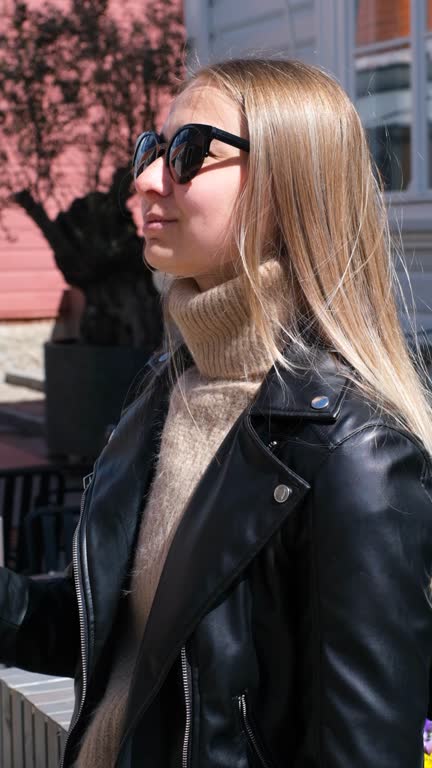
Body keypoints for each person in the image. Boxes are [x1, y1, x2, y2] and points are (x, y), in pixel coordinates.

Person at [1, 57, 432, 768]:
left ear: (288, 183)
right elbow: (120, 638)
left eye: (188, 151)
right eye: (150, 149)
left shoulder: (351, 453)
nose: (146, 179)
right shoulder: (166, 389)